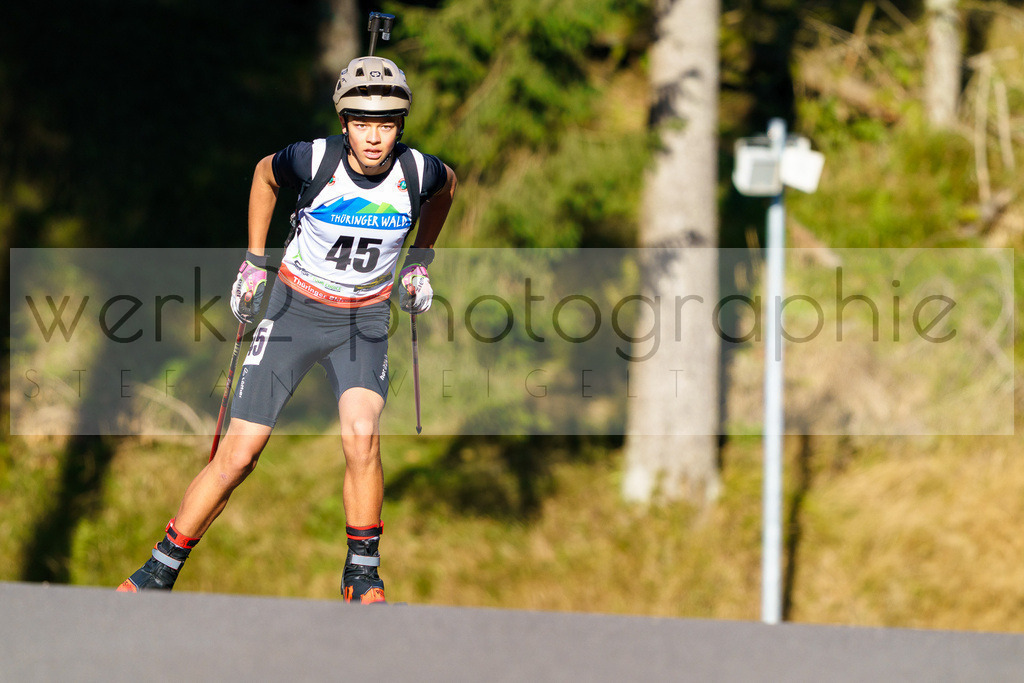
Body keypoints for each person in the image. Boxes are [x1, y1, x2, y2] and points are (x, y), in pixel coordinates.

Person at [117, 55, 457, 604]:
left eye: (388, 125)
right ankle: (161, 568)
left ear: (401, 125)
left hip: (364, 318)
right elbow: (262, 175)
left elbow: (448, 191)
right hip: (294, 311)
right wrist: (254, 260)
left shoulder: (419, 171)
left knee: (362, 433)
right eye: (363, 124)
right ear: (344, 122)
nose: (375, 138)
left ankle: (362, 573)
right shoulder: (313, 158)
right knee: (241, 453)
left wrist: (420, 259)